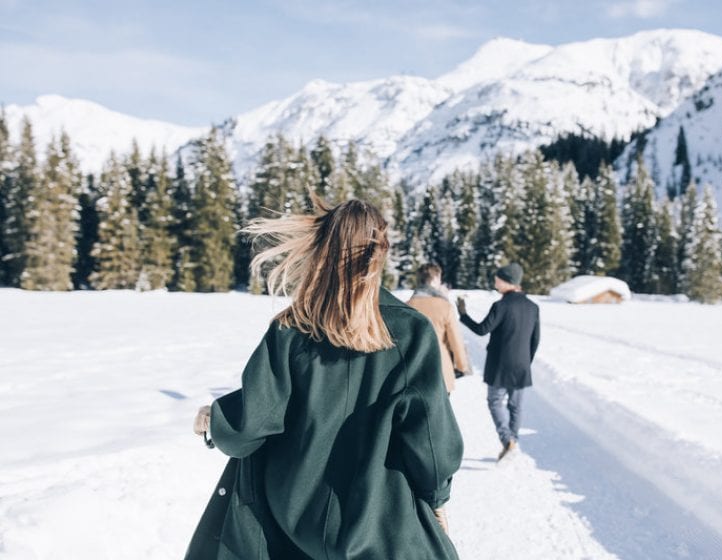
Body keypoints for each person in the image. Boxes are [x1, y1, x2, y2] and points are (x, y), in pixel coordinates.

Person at [186, 198, 463, 560]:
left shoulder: (290, 328)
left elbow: (251, 423)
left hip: (289, 528)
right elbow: (431, 442)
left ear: (323, 248)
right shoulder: (410, 332)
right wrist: (436, 498)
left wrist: (215, 419)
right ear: (380, 252)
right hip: (376, 529)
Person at [456, 263, 540, 461]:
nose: (495, 283)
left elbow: (481, 329)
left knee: (495, 401)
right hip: (522, 364)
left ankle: (507, 440)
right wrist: (527, 360)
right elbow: (535, 340)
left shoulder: (501, 306)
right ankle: (514, 442)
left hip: (500, 365)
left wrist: (463, 314)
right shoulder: (533, 307)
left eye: (497, 279)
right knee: (515, 406)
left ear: (506, 281)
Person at [406, 264, 471, 394]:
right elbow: (456, 341)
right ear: (435, 279)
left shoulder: (407, 306)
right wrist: (462, 366)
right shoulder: (445, 306)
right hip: (440, 372)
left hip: (413, 373)